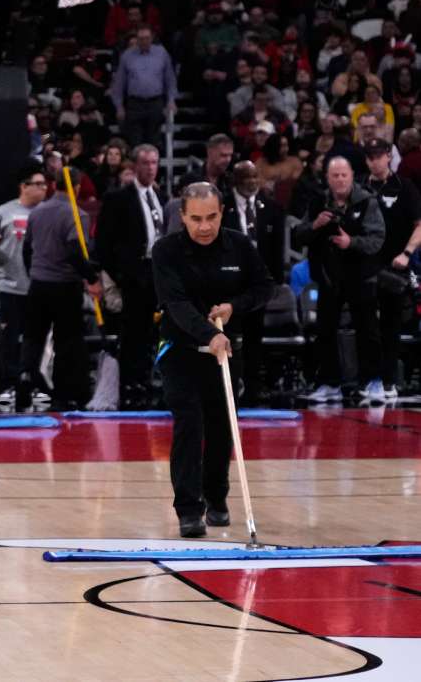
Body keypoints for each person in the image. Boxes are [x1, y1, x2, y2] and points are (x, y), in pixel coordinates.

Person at [154, 181, 273, 538]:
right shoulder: (166, 251)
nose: (204, 227)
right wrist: (210, 335)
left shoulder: (239, 246)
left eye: (211, 218)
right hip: (180, 350)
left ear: (222, 213)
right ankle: (189, 510)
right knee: (189, 424)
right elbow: (175, 305)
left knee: (222, 428)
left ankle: (216, 497)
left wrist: (234, 307)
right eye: (195, 219)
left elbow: (264, 286)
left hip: (225, 351)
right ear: (182, 217)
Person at [295, 157, 386, 403]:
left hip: (361, 277)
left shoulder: (367, 201)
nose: (340, 179)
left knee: (368, 331)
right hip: (328, 277)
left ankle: (374, 382)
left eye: (344, 175)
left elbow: (377, 239)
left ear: (351, 176)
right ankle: (329, 384)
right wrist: (315, 225)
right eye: (335, 175)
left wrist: (351, 243)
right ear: (328, 178)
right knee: (325, 331)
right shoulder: (317, 202)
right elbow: (298, 234)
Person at [16, 167, 102, 411]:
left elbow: (26, 249)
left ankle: (24, 382)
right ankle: (62, 396)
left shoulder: (38, 211)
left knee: (33, 338)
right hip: (65, 286)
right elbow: (75, 252)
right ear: (76, 187)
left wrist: (33, 273)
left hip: (38, 285)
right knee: (67, 341)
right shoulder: (77, 215)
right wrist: (92, 278)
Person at [96, 144, 167, 409]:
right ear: (135, 166)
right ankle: (129, 383)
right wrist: (121, 275)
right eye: (146, 163)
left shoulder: (159, 196)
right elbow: (103, 243)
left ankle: (146, 380)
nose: (151, 168)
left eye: (154, 163)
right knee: (132, 333)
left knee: (151, 333)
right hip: (132, 276)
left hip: (155, 275)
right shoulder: (118, 198)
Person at [0, 166, 48, 407]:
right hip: (10, 286)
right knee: (9, 339)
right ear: (24, 186)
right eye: (37, 184)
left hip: (40, 286)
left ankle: (35, 384)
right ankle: (8, 385)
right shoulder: (4, 212)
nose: (43, 188)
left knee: (37, 339)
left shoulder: (47, 212)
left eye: (44, 184)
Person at [222, 161, 287, 403]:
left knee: (254, 338)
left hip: (258, 285)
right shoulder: (222, 207)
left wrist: (276, 281)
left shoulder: (271, 208)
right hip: (230, 285)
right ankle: (229, 385)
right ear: (236, 181)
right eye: (246, 177)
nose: (252, 182)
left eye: (255, 177)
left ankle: (253, 387)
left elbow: (277, 249)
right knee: (230, 337)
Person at [362, 139, 421, 400]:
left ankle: (389, 381)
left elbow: (419, 225)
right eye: (370, 156)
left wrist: (407, 253)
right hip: (364, 266)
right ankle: (368, 378)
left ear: (389, 157)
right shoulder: (360, 188)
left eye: (379, 155)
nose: (375, 161)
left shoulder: (405, 187)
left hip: (394, 265)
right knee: (365, 326)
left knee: (391, 325)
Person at [110, 25, 177, 149]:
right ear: (137, 39)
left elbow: (170, 80)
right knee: (135, 142)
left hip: (156, 102)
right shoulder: (127, 55)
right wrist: (119, 106)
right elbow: (119, 84)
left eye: (146, 38)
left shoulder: (161, 53)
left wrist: (171, 100)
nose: (144, 41)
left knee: (153, 140)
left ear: (152, 38)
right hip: (134, 104)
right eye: (141, 38)